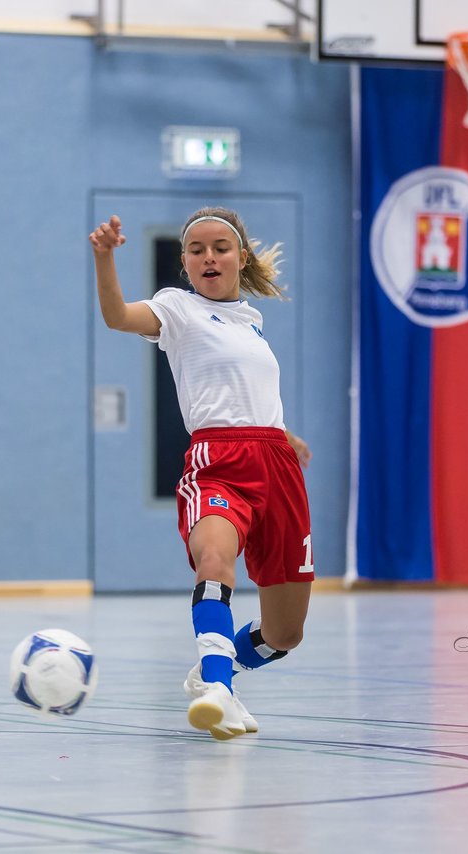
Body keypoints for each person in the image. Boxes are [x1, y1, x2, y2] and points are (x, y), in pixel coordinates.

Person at [90, 208, 314, 740]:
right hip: (217, 463)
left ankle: (223, 672)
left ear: (240, 258)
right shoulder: (177, 308)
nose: (208, 256)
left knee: (284, 633)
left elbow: (249, 397)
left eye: (219, 247)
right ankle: (218, 687)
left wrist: (284, 436)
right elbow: (118, 316)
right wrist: (104, 258)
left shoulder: (253, 322)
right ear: (186, 264)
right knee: (213, 557)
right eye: (196, 249)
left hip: (277, 469)